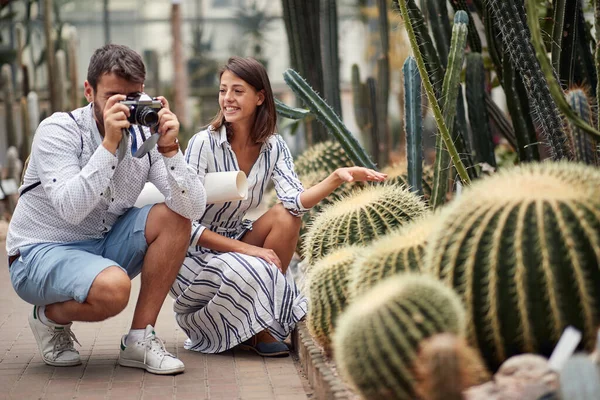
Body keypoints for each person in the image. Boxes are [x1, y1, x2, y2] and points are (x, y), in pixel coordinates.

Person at [6, 44, 206, 374]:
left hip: (101, 245)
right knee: (114, 290)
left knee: (174, 217)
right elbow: (72, 209)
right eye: (114, 97)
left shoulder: (146, 135)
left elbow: (193, 208)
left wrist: (171, 150)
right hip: (39, 253)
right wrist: (109, 145)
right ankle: (47, 317)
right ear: (89, 91)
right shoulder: (58, 131)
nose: (126, 108)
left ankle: (140, 340)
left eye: (133, 96)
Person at [170, 56, 386, 357]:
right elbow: (185, 224)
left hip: (234, 238)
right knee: (251, 262)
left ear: (260, 97)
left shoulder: (273, 145)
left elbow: (294, 200)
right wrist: (250, 250)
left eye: (237, 91)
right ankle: (258, 329)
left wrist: (335, 178)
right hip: (194, 252)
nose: (227, 99)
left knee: (286, 216)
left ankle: (262, 318)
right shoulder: (202, 144)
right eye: (223, 90)